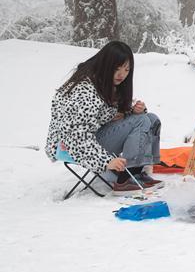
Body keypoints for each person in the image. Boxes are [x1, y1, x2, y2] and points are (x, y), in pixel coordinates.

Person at [45, 41, 162, 193]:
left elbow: (107, 111)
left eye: (127, 69)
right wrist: (106, 161)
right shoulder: (84, 90)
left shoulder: (104, 81)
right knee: (141, 121)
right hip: (69, 146)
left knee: (151, 118)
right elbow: (76, 136)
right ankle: (127, 177)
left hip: (93, 138)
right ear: (106, 65)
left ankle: (139, 172)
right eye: (117, 69)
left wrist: (134, 110)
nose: (122, 75)